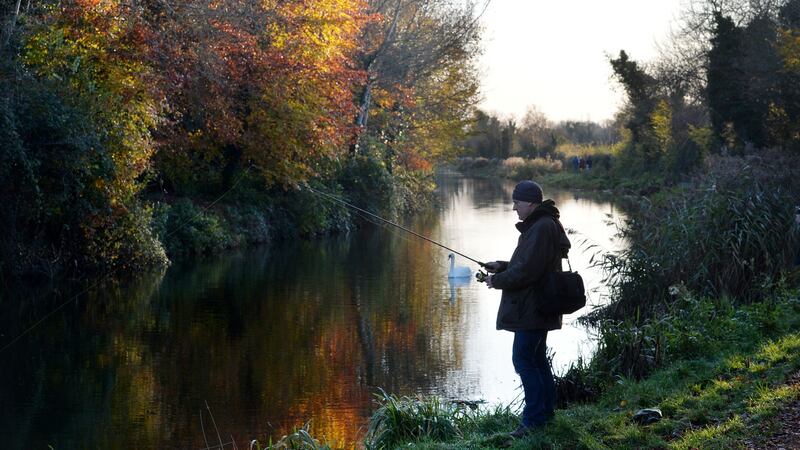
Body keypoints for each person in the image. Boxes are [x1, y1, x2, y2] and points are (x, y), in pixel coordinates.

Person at [483, 180, 571, 438]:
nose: (514, 208)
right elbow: (530, 263)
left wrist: (496, 281)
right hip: (538, 305)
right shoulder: (542, 224)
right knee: (537, 359)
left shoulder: (541, 227)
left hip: (532, 307)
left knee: (523, 359)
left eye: (517, 202)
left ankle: (532, 422)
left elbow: (527, 271)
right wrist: (500, 266)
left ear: (531, 202)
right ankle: (545, 415)